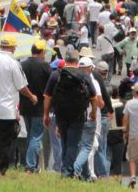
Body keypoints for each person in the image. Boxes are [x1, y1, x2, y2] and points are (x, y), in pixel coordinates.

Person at [0, 34, 36, 175]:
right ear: (11, 47)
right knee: (5, 142)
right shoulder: (13, 63)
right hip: (6, 109)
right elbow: (21, 86)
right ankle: (0, 171)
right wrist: (32, 97)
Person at [43, 49, 98, 178]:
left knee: (65, 142)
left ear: (65, 60)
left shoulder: (56, 75)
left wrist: (46, 114)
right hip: (78, 115)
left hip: (60, 114)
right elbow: (94, 97)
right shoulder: (83, 74)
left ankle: (67, 170)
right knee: (73, 144)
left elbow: (47, 97)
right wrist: (94, 113)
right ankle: (67, 172)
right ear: (77, 60)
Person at [20, 40, 51, 173]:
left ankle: (32, 164)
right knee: (35, 136)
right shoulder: (45, 65)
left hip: (25, 106)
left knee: (30, 136)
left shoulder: (22, 64)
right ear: (42, 51)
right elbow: (51, 86)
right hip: (39, 107)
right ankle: (30, 166)